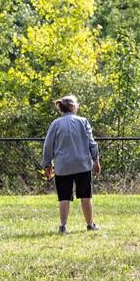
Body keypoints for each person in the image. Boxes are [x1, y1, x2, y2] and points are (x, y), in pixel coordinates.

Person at [42, 95, 101, 233]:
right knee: (86, 195)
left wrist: (47, 163)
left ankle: (63, 226)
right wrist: (96, 160)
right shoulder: (83, 121)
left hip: (63, 166)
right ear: (73, 107)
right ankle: (90, 224)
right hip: (82, 164)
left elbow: (48, 145)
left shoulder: (55, 124)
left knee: (64, 197)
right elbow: (92, 143)